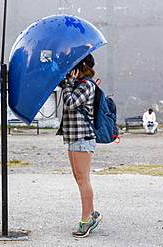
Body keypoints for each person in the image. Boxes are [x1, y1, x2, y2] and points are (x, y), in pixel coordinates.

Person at [56, 54, 102, 238]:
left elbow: (70, 102)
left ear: (81, 67)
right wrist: (66, 80)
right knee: (79, 178)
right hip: (74, 137)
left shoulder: (86, 85)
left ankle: (86, 220)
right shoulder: (76, 84)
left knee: (83, 179)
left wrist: (68, 83)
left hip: (82, 137)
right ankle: (91, 214)